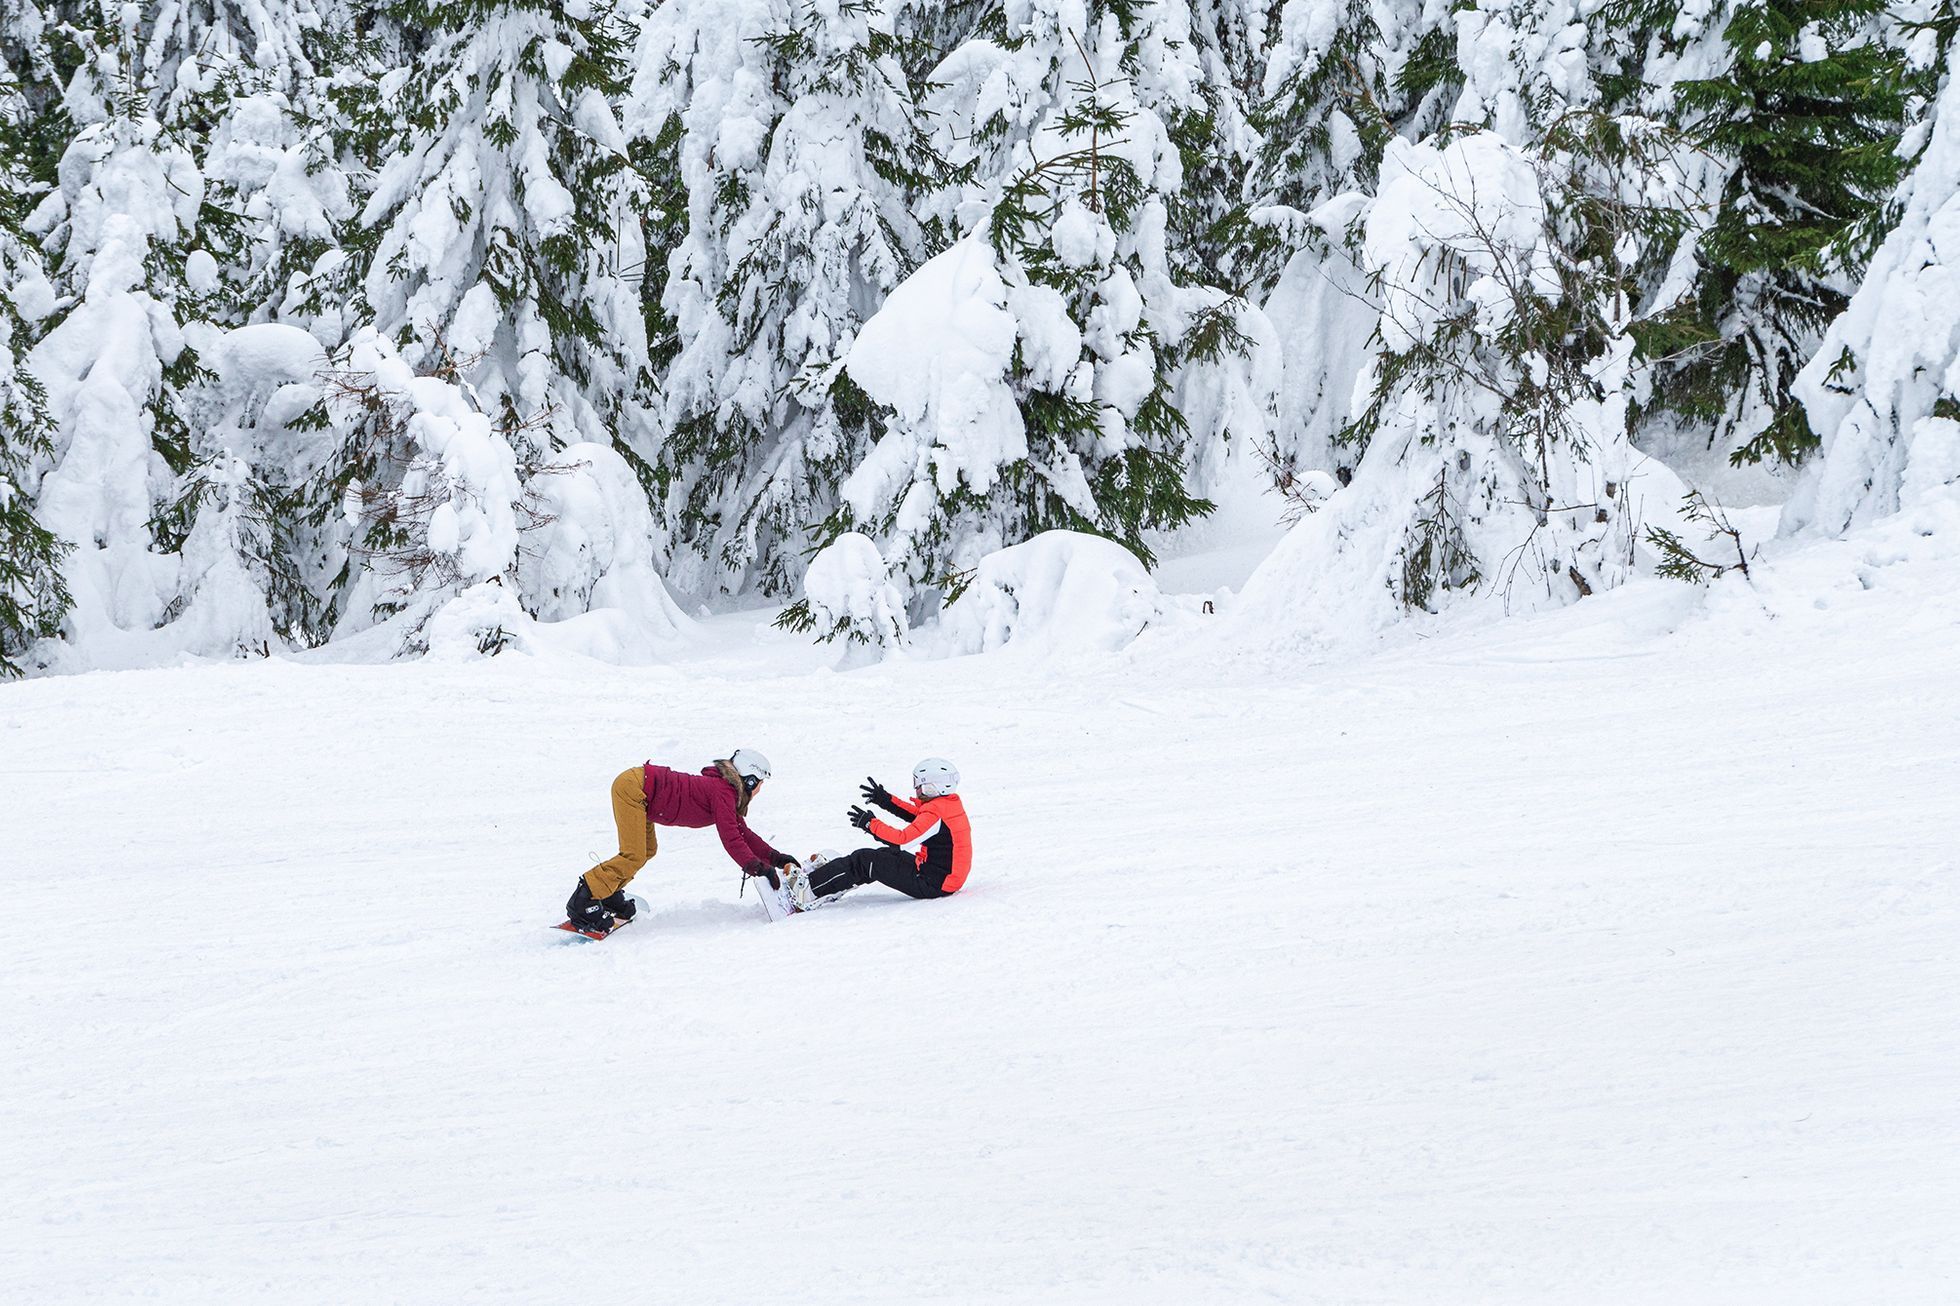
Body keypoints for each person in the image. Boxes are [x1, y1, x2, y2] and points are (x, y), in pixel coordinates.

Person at [567, 747, 797, 933]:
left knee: (647, 850)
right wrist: (758, 868)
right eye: (760, 783)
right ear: (749, 779)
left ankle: (607, 892)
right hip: (634, 788)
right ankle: (584, 899)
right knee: (634, 853)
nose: (759, 789)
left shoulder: (725, 792)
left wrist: (776, 859)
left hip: (641, 791)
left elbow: (742, 833)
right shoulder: (723, 793)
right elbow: (732, 838)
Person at [784, 758, 972, 909]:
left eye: (919, 785)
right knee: (884, 855)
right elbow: (917, 818)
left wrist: (869, 823)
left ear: (932, 787)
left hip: (933, 883)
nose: (916, 789)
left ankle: (808, 891)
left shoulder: (935, 812)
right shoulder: (948, 804)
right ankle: (831, 883)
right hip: (941, 877)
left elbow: (902, 840)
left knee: (865, 860)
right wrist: (886, 800)